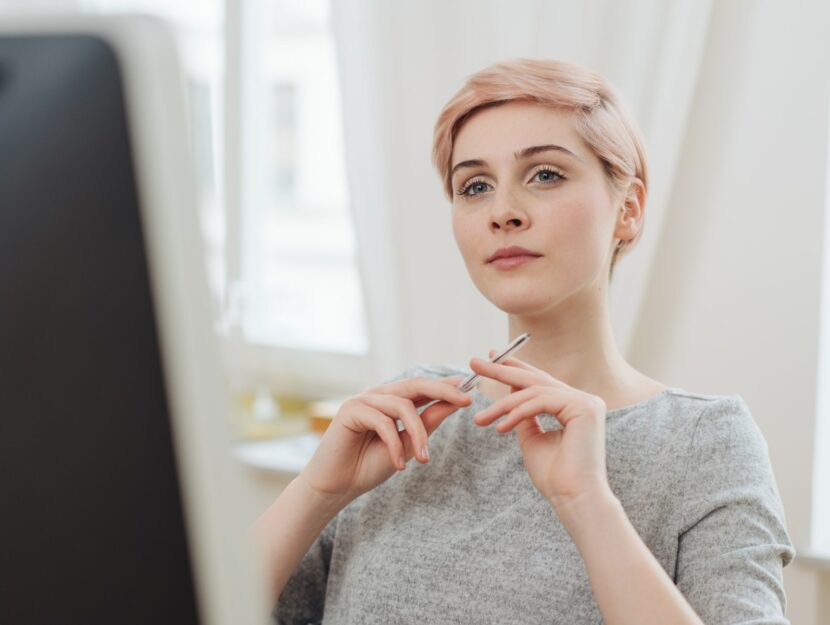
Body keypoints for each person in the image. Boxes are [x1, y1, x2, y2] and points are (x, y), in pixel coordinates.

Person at [255, 58, 796, 625]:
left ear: (628, 210)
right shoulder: (402, 421)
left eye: (545, 175)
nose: (503, 213)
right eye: (475, 186)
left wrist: (588, 504)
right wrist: (318, 490)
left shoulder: (704, 445)